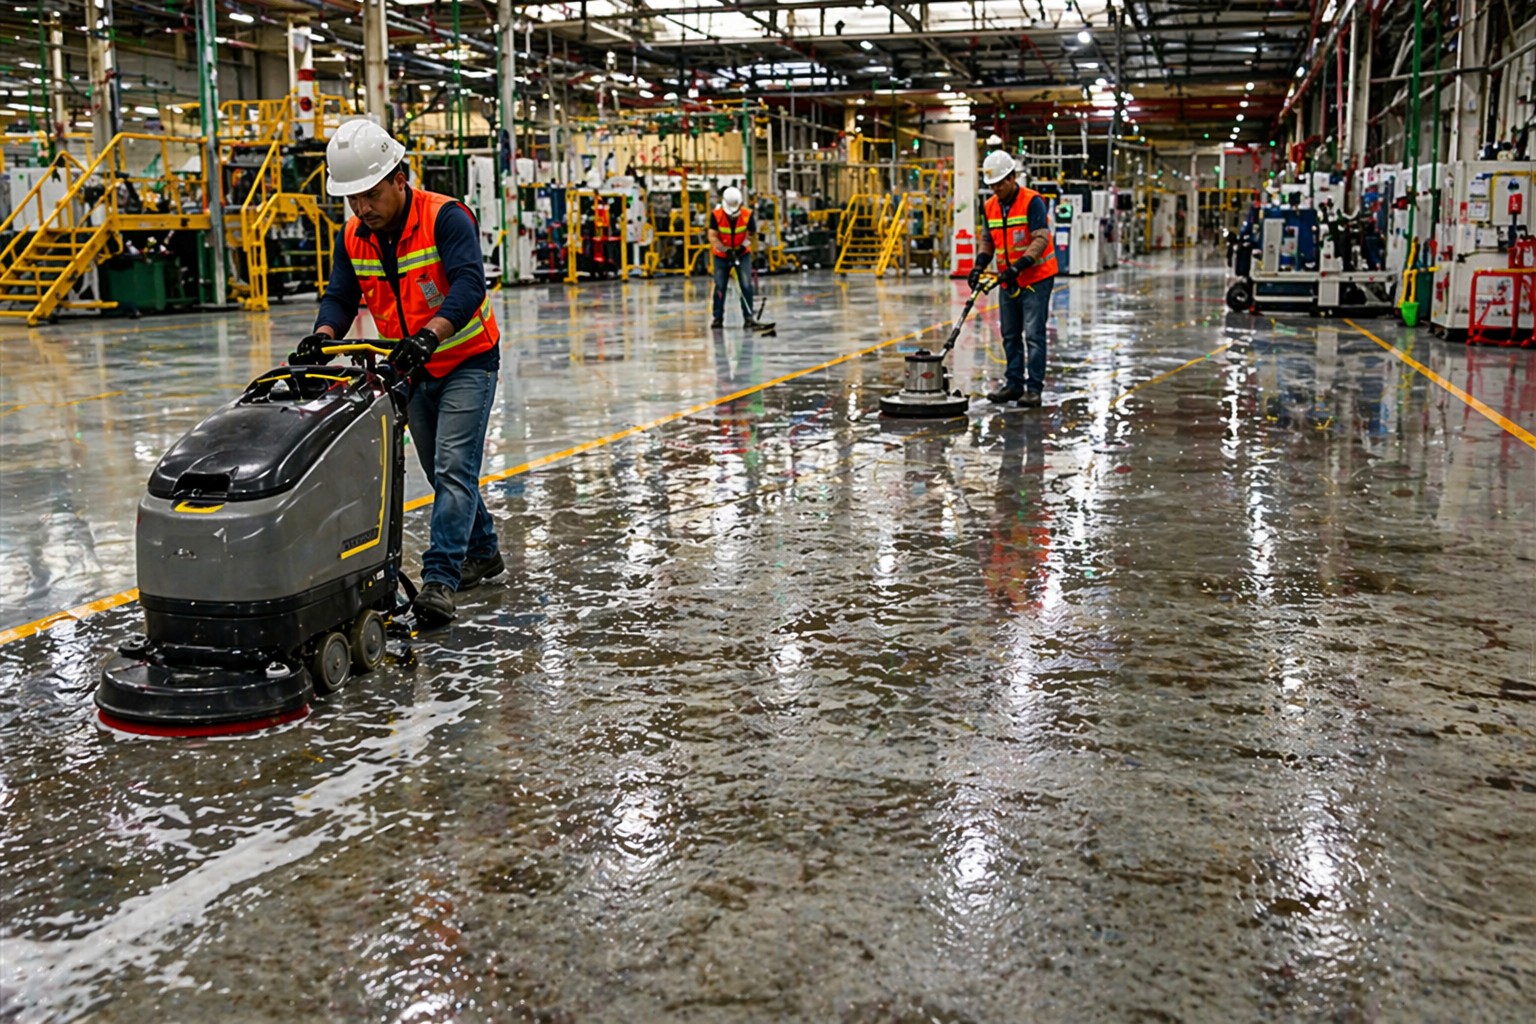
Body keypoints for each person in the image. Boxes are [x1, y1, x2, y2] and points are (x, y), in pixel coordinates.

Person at [289, 118, 503, 628]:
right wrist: (324, 334)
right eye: (352, 199)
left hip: (466, 359)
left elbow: (469, 285)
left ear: (398, 178)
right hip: (411, 365)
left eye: (369, 194)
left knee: (453, 470)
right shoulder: (354, 236)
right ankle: (484, 550)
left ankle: (440, 580)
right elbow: (342, 296)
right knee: (439, 470)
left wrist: (431, 334)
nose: (362, 208)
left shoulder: (446, 218)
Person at [967, 151, 1059, 407]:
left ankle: (1034, 388)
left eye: (1000, 183)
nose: (996, 189)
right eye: (992, 185)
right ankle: (1014, 384)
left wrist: (1019, 267)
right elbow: (988, 240)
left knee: (1033, 334)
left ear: (1012, 177)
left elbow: (1041, 239)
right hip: (1009, 279)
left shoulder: (1033, 202)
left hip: (1035, 278)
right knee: (1009, 334)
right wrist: (978, 266)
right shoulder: (990, 206)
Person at [708, 186, 764, 329]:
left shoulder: (747, 215)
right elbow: (713, 236)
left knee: (745, 284)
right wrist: (725, 250)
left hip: (742, 254)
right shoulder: (716, 215)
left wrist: (742, 247)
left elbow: (751, 235)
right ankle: (717, 318)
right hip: (722, 256)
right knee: (720, 285)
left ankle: (748, 317)